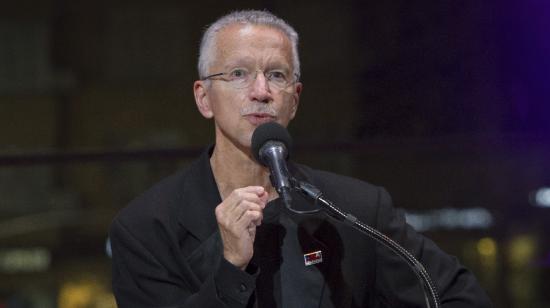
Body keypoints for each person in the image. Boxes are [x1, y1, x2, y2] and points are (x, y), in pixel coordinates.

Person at [109, 10, 492, 308]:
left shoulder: (356, 208)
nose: (261, 92)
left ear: (294, 99)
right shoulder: (145, 228)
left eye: (277, 75)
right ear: (203, 98)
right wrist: (230, 269)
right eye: (239, 74)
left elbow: (458, 296)